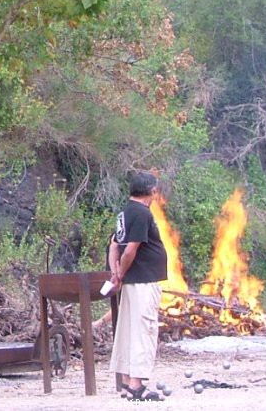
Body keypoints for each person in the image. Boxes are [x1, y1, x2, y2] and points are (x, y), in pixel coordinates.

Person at [108, 171, 167, 401]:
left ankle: (125, 382)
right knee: (144, 329)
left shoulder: (125, 212)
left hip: (132, 281)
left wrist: (115, 273)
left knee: (127, 329)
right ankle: (136, 385)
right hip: (143, 281)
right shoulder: (142, 212)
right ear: (152, 191)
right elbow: (131, 248)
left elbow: (114, 245)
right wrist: (120, 273)